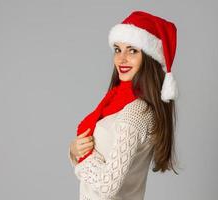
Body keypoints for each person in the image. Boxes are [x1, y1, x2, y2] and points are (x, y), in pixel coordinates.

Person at [68, 10, 180, 200]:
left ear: (149, 57)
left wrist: (81, 157)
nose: (121, 59)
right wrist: (74, 150)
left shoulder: (135, 112)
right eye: (118, 49)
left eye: (132, 50)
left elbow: (107, 185)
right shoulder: (116, 100)